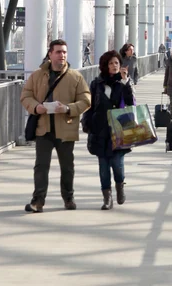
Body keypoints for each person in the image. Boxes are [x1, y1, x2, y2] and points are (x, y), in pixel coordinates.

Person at [20, 39, 91, 213]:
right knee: (41, 166)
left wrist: (67, 108)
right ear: (50, 54)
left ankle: (69, 197)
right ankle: (38, 201)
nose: (62, 55)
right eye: (58, 52)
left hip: (65, 128)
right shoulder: (37, 76)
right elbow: (26, 95)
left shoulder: (75, 77)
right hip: (43, 128)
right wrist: (37, 107)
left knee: (67, 166)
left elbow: (86, 100)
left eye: (64, 52)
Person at [83, 50, 135, 210]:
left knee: (117, 164)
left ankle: (120, 187)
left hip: (119, 129)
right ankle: (107, 198)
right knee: (103, 167)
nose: (114, 66)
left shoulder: (124, 83)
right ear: (105, 66)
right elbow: (90, 105)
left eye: (116, 63)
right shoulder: (96, 84)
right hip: (100, 130)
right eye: (111, 63)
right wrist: (88, 124)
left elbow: (130, 103)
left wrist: (126, 83)